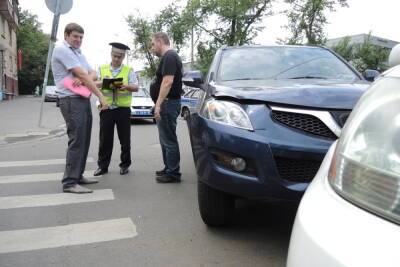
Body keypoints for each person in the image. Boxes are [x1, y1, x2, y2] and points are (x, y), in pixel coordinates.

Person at [51, 23, 108, 194]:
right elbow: (83, 73)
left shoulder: (77, 53)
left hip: (81, 98)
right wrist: (100, 95)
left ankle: (78, 175)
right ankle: (69, 182)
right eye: (75, 36)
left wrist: (83, 79)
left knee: (84, 139)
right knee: (76, 140)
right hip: (70, 100)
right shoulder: (62, 49)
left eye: (81, 37)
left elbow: (93, 74)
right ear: (66, 35)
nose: (78, 40)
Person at [93, 43, 139, 176]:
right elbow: (93, 84)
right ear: (111, 54)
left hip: (123, 110)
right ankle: (102, 166)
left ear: (123, 57)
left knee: (125, 140)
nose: (116, 59)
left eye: (120, 57)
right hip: (106, 109)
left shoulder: (129, 70)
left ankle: (125, 165)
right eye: (115, 56)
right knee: (105, 139)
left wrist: (125, 86)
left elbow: (136, 87)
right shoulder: (102, 69)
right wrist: (104, 82)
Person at [150, 32, 183, 183]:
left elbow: (167, 82)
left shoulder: (169, 56)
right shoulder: (168, 57)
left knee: (169, 139)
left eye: (152, 44)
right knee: (165, 139)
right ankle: (168, 167)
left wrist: (158, 105)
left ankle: (173, 173)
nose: (152, 47)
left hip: (168, 103)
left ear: (160, 41)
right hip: (167, 103)